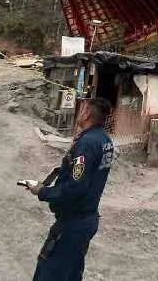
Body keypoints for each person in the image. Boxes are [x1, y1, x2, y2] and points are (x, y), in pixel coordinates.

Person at [25, 96, 114, 281]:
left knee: (48, 273)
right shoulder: (105, 140)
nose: (78, 113)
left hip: (72, 223)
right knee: (72, 273)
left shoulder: (87, 143)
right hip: (87, 218)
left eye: (82, 109)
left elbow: (75, 187)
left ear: (87, 113)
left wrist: (42, 191)